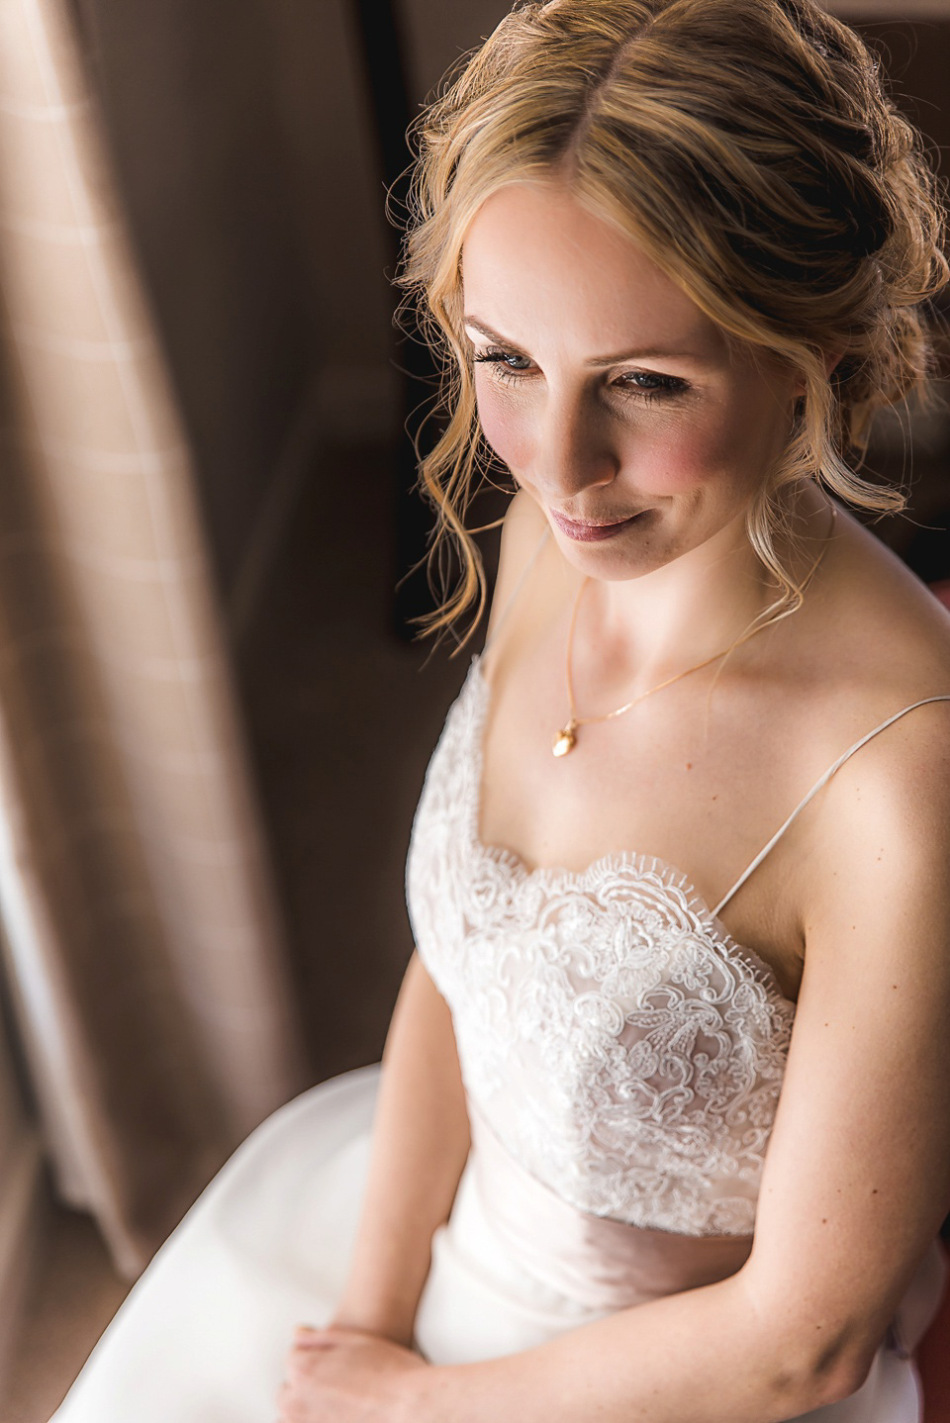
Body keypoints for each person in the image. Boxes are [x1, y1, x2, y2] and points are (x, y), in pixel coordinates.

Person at [51, 2, 950, 1420]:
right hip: (424, 1246)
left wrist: (409, 1406)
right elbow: (460, 964)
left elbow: (800, 1343)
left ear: (808, 355)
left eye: (646, 384)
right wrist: (365, 1321)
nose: (559, 467)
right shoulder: (551, 543)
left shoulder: (902, 776)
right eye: (507, 361)